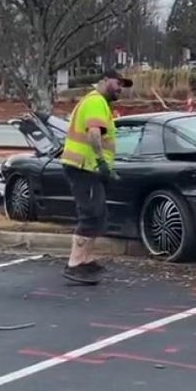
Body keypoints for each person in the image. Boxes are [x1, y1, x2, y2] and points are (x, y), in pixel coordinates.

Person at [58, 69, 132, 284]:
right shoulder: (95, 102)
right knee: (90, 213)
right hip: (84, 167)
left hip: (88, 168)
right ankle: (75, 264)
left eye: (122, 85)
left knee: (99, 214)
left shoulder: (99, 103)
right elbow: (93, 133)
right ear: (104, 81)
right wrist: (100, 161)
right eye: (118, 83)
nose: (120, 88)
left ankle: (86, 261)